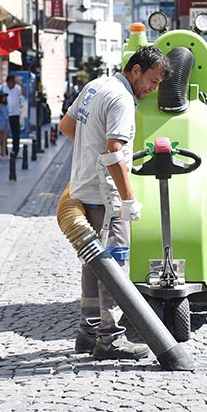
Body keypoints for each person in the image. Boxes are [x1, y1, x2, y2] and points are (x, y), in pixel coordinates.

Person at [58, 46, 171, 360]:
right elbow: (113, 152)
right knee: (115, 266)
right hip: (108, 199)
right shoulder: (122, 99)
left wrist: (89, 152)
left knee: (93, 265)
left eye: (159, 83)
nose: (153, 88)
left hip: (84, 192)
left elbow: (66, 128)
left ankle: (88, 332)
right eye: (151, 80)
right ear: (135, 70)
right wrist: (128, 199)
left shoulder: (95, 86)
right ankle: (109, 340)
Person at [1, 75, 23, 155]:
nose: (12, 84)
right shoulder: (3, 88)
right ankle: (4, 150)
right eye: (11, 82)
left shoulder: (17, 88)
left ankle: (15, 150)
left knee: (16, 133)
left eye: (14, 82)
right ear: (8, 82)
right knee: (4, 133)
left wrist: (20, 84)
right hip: (6, 114)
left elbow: (23, 93)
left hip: (15, 114)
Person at [0, 86, 10, 157]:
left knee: (4, 139)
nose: (5, 98)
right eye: (3, 97)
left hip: (6, 122)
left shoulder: (6, 105)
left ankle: (4, 153)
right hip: (1, 121)